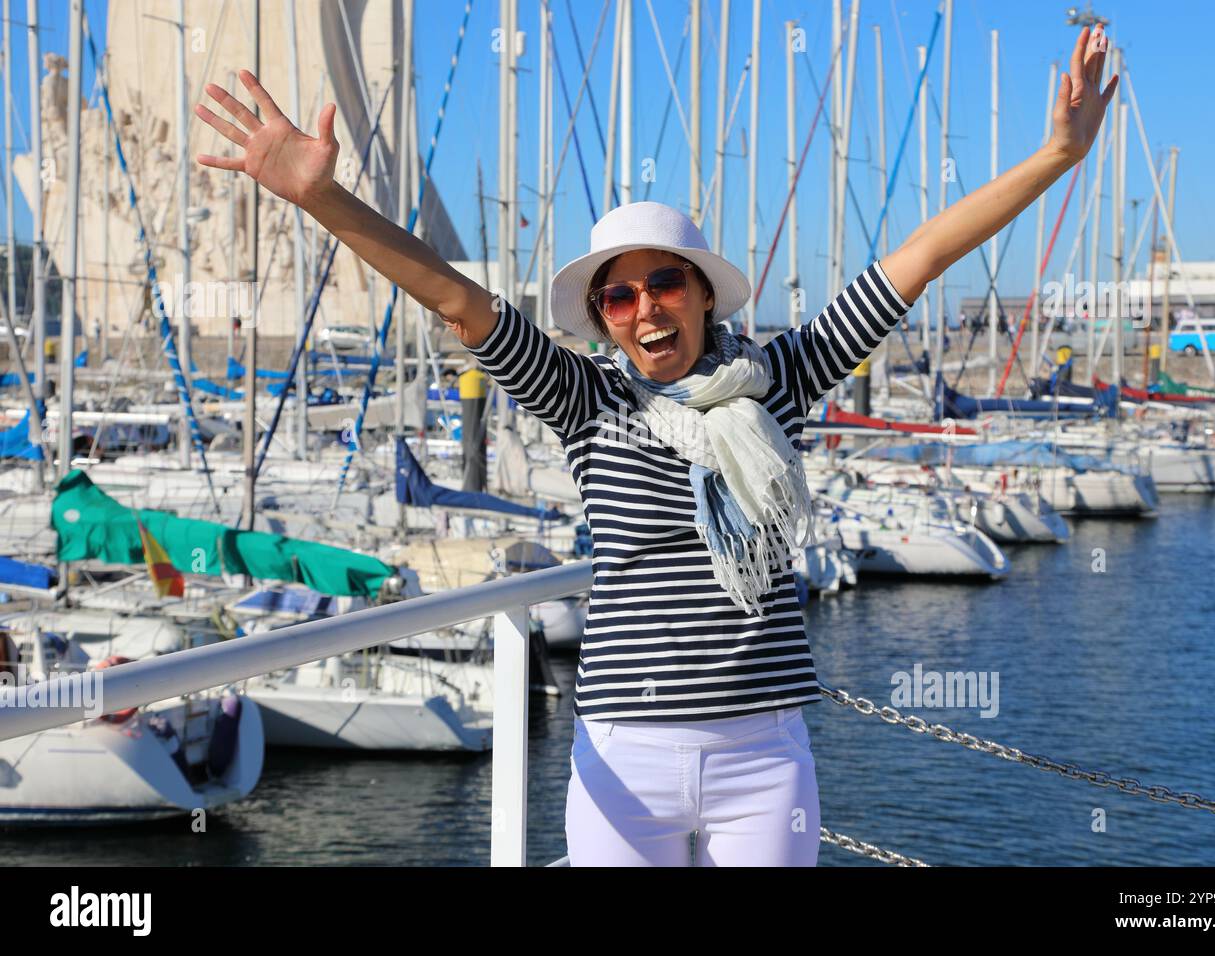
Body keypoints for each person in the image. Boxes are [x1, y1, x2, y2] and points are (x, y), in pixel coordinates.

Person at [195, 23, 1115, 866]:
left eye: (664, 283)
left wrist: (1056, 155)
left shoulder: (780, 380)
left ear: (703, 294)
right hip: (623, 761)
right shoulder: (587, 401)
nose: (645, 308)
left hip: (764, 757)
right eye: (618, 297)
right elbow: (453, 297)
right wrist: (323, 200)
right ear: (601, 319)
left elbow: (920, 257)